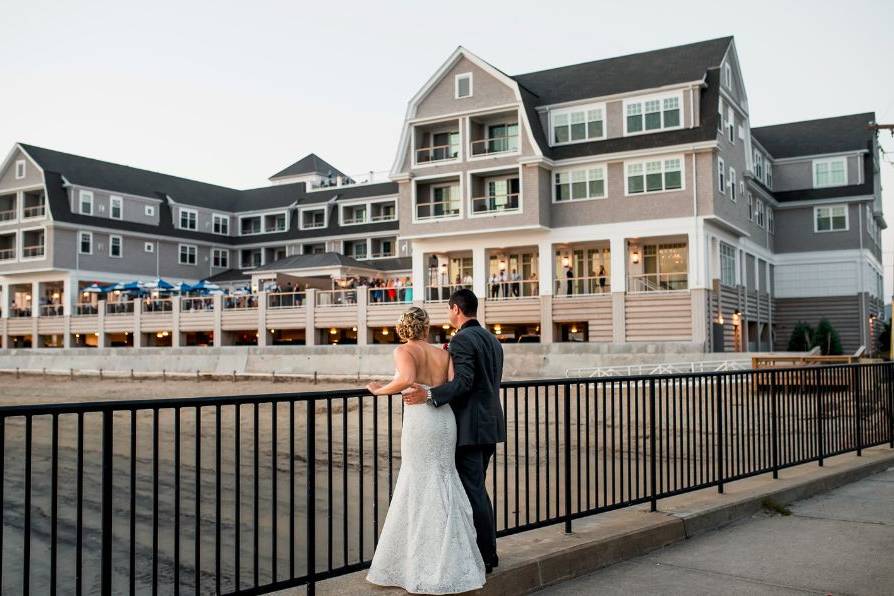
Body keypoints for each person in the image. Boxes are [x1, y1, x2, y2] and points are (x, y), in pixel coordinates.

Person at [365, 306, 486, 594]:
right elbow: (456, 384)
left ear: (403, 329)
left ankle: (420, 561)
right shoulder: (443, 354)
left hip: (421, 420)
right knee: (443, 477)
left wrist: (379, 389)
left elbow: (406, 379)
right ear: (426, 328)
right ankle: (453, 556)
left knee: (417, 481)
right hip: (444, 418)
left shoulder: (403, 351)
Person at [403, 289, 505, 574]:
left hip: (470, 427)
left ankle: (485, 556)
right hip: (491, 423)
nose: (448, 315)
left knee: (472, 491)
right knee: (477, 489)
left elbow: (464, 382)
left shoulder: (462, 339)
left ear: (456, 309)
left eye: (448, 310)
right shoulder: (491, 340)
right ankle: (485, 551)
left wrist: (430, 396)